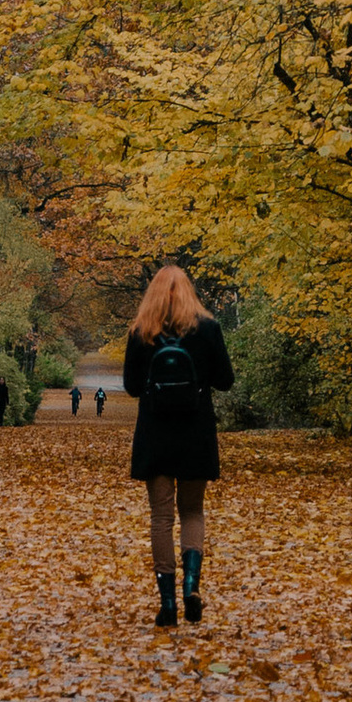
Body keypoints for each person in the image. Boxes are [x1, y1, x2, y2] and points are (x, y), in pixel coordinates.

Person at [121, 263, 233, 629]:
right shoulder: (209, 329)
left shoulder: (141, 332)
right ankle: (191, 586)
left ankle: (167, 603)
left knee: (161, 517)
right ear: (190, 292)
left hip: (155, 433)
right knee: (193, 513)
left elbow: (133, 387)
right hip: (195, 432)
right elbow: (226, 381)